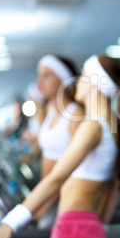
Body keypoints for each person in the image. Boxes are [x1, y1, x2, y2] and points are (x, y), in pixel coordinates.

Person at [0, 54, 120, 238]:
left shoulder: (93, 126)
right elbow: (113, 185)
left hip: (74, 227)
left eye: (82, 76)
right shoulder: (109, 126)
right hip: (83, 226)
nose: (77, 82)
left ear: (94, 83)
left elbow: (56, 179)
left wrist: (10, 223)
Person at [33, 54, 84, 228]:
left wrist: (42, 207)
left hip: (60, 199)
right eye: (39, 75)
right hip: (45, 195)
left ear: (63, 80)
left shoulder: (75, 114)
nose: (40, 81)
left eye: (47, 75)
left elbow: (72, 170)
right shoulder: (49, 110)